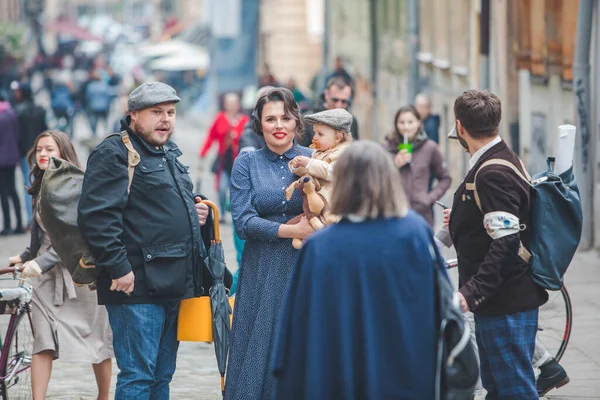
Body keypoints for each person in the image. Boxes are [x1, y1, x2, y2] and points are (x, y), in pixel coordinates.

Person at [273, 141, 437, 399]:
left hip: (338, 372)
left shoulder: (320, 246)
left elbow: (298, 327)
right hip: (405, 370)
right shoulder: (415, 233)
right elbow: (440, 308)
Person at [78, 82, 210, 399]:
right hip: (135, 285)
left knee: (161, 377)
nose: (165, 119)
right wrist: (119, 268)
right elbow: (96, 217)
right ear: (134, 115)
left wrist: (194, 211)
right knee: (138, 376)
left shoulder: (167, 153)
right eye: (156, 112)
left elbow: (158, 204)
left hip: (173, 281)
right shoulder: (114, 153)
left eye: (170, 112)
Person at [446, 90, 548, 399]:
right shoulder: (499, 157)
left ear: (460, 127)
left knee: (514, 390)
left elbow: (505, 240)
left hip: (505, 302)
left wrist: (471, 292)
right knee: (499, 390)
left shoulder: (492, 172)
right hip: (499, 300)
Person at [8, 130, 113, 400]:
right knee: (42, 342)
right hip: (44, 279)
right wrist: (25, 255)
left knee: (97, 342)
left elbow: (77, 236)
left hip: (81, 273)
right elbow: (40, 234)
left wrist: (41, 262)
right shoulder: (40, 184)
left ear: (64, 154)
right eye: (39, 149)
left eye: (50, 149)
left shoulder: (75, 186)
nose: (43, 154)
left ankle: (104, 396)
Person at [225, 87, 314, 399]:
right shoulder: (246, 164)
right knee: (258, 345)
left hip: (306, 269)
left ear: (296, 122)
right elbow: (243, 222)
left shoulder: (314, 160)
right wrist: (292, 230)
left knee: (302, 343)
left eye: (285, 118)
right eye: (271, 118)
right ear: (259, 124)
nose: (279, 125)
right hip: (262, 269)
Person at [384, 105, 451, 226]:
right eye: (402, 122)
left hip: (421, 214)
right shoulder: (387, 148)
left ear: (418, 123)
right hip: (392, 212)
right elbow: (376, 177)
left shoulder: (430, 147)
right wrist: (395, 163)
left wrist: (429, 198)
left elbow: (445, 178)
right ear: (396, 124)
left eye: (410, 122)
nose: (406, 127)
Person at [289, 108, 353, 218]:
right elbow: (310, 173)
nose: (314, 137)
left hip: (334, 206)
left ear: (338, 137)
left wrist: (309, 163)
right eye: (315, 133)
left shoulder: (344, 153)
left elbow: (332, 172)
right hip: (316, 204)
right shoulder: (319, 152)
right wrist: (298, 166)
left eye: (320, 134)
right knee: (293, 224)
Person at [198, 92, 250, 222]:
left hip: (240, 163)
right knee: (221, 189)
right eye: (229, 104)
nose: (232, 106)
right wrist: (203, 152)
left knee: (238, 191)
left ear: (238, 105)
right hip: (223, 162)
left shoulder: (245, 120)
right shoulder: (220, 118)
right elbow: (211, 136)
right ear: (225, 104)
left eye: (234, 104)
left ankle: (237, 214)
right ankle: (221, 214)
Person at [13, 82, 48, 227]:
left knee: (28, 186)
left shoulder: (18, 111)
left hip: (25, 153)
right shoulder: (40, 110)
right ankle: (41, 216)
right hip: (40, 150)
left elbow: (16, 134)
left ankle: (31, 219)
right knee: (40, 184)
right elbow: (45, 129)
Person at [300, 77, 359, 146]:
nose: (338, 105)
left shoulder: (352, 121)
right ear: (326, 94)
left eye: (344, 101)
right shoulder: (308, 119)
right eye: (335, 100)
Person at [0, 90, 24, 235]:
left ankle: (7, 225)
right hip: (12, 157)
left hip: (1, 160)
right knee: (13, 191)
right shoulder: (12, 114)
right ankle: (19, 224)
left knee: (3, 192)